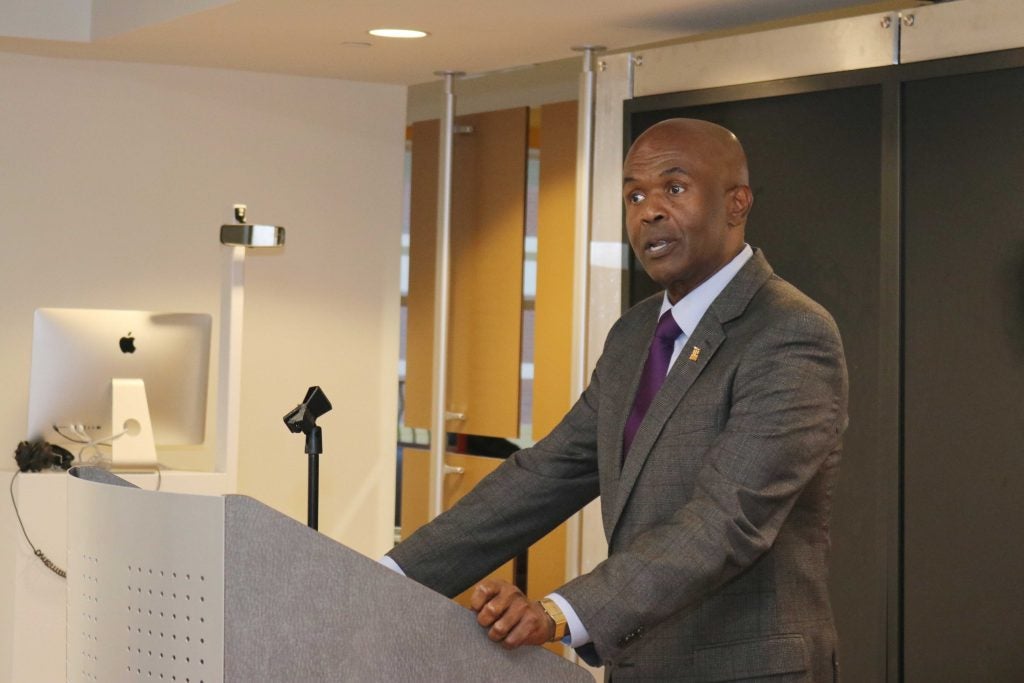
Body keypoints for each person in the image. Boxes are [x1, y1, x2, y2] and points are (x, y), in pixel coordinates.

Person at [386, 118, 848, 681]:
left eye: (673, 188)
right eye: (634, 194)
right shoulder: (635, 336)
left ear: (737, 203)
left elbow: (727, 520)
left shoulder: (789, 333)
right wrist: (386, 578)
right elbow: (545, 475)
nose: (648, 210)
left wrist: (558, 613)